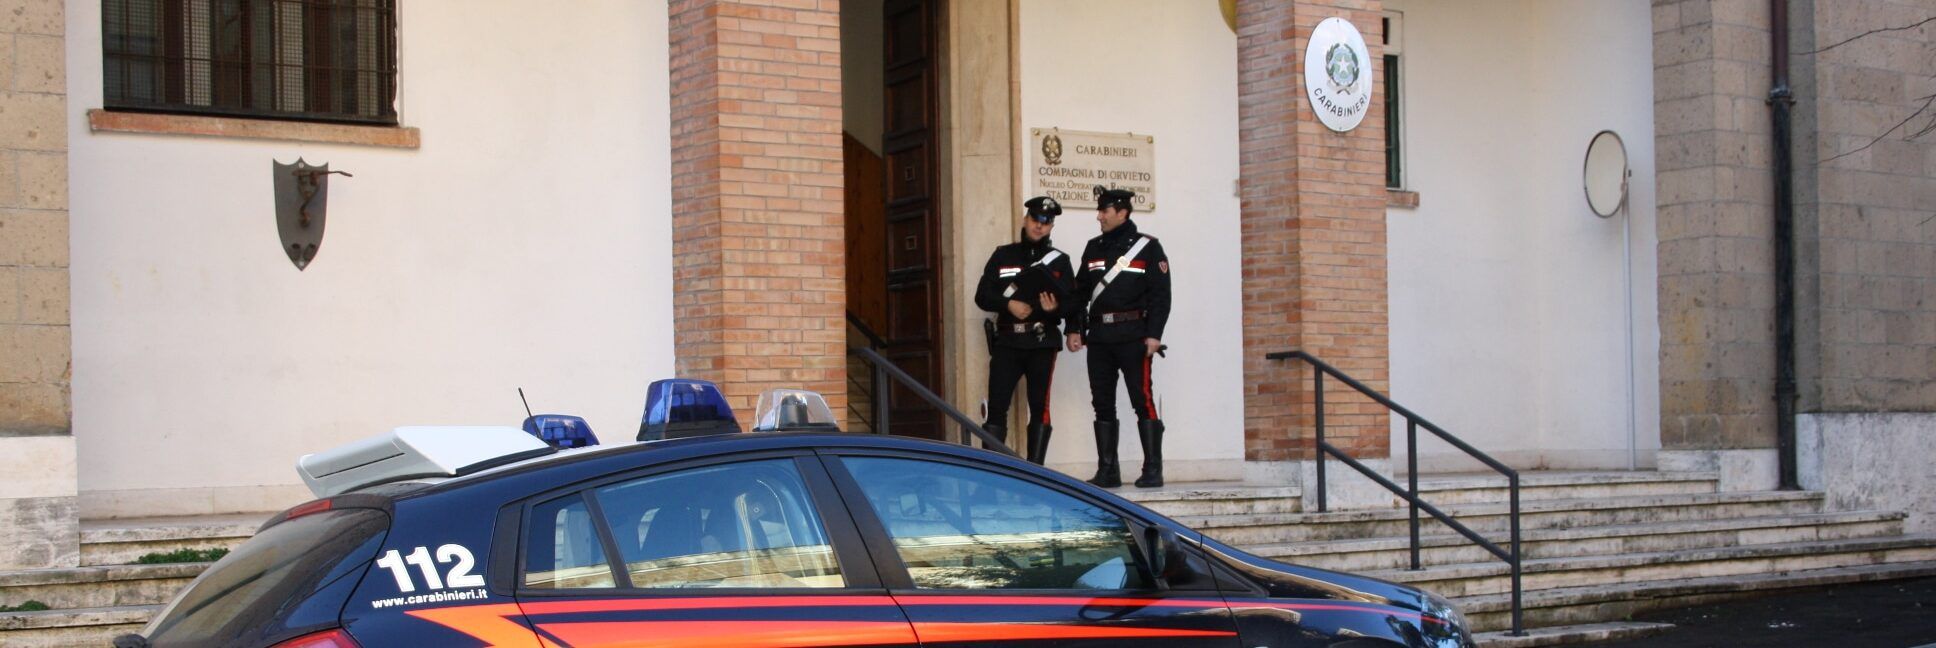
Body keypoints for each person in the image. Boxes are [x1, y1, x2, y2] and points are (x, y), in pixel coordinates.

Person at [1067, 187, 1170, 488]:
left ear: (1121, 212)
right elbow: (1079, 294)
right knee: (1102, 403)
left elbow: (1161, 296)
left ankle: (1153, 469)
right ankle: (1108, 470)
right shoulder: (1093, 247)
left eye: (1104, 211)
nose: (1099, 216)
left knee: (1143, 401)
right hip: (1099, 337)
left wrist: (1154, 335)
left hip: (1133, 336)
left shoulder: (1148, 248)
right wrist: (1074, 329)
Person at [974, 196, 1076, 464]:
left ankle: (1036, 474)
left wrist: (1053, 309)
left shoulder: (1059, 261)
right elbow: (982, 296)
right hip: (1008, 340)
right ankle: (991, 475)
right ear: (1025, 219)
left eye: (1046, 222)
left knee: (1039, 408)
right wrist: (1009, 304)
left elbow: (1072, 304)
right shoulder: (1002, 254)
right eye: (1035, 220)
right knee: (996, 408)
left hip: (1041, 342)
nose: (1039, 226)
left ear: (1051, 227)